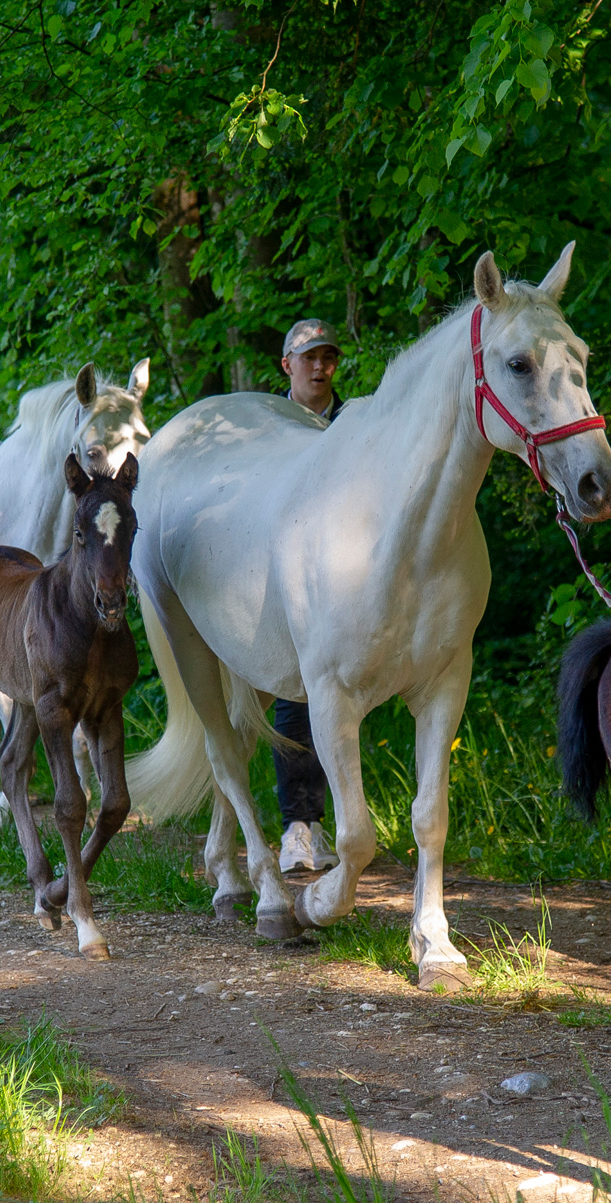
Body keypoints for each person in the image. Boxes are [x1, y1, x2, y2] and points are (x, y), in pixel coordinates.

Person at [271, 319, 344, 874]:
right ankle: (298, 826)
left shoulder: (353, 423)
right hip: (275, 579)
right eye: (309, 357)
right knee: (295, 697)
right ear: (286, 365)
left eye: (329, 357)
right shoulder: (265, 426)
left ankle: (341, 822)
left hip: (348, 580)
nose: (321, 367)